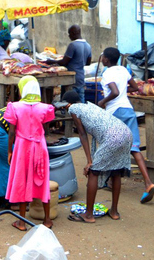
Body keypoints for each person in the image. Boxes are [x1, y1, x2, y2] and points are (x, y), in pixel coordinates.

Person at [60, 89, 132, 223]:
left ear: (68, 104)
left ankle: (88, 215)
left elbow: (82, 135)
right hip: (126, 133)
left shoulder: (73, 109)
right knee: (116, 171)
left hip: (112, 137)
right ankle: (114, 211)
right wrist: (90, 159)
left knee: (93, 173)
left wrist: (89, 161)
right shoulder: (89, 106)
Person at [98, 47, 154, 203]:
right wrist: (124, 90)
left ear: (106, 60)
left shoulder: (106, 73)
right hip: (128, 110)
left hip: (115, 112)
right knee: (134, 148)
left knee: (111, 145)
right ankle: (148, 183)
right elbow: (135, 87)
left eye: (103, 56)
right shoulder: (124, 70)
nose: (102, 58)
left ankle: (108, 180)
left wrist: (102, 102)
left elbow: (115, 92)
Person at [5, 76, 55, 230]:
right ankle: (47, 220)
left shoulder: (15, 107)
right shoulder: (45, 108)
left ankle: (21, 222)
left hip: (22, 147)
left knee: (22, 180)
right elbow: (45, 128)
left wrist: (9, 151)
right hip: (40, 146)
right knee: (42, 179)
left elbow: (12, 132)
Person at [47, 25, 92, 102]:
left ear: (73, 33)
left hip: (71, 79)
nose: (69, 36)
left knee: (69, 103)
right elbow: (88, 63)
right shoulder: (88, 46)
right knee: (81, 102)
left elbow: (64, 62)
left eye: (69, 34)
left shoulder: (73, 45)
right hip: (81, 78)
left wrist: (51, 61)